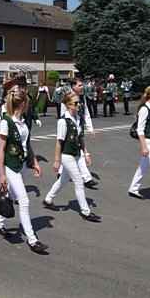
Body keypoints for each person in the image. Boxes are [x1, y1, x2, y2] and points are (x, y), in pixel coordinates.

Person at [0, 87, 48, 254]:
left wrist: (35, 162)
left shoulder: (23, 122)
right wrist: (2, 174)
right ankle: (32, 240)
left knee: (10, 195)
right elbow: (1, 150)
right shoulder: (6, 122)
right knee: (23, 200)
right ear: (23, 103)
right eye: (28, 103)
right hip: (11, 167)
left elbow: (27, 144)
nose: (28, 106)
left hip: (22, 164)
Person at [43, 92, 101, 222]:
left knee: (63, 180)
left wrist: (86, 153)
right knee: (79, 182)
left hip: (76, 154)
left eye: (79, 102)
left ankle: (48, 199)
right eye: (76, 103)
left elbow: (81, 138)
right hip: (67, 155)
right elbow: (59, 142)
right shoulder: (63, 121)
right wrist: (57, 161)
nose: (78, 104)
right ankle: (86, 212)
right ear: (68, 105)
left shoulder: (78, 118)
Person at [59, 77, 98, 189]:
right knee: (74, 151)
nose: (82, 87)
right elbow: (63, 115)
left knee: (75, 151)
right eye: (80, 85)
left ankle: (64, 173)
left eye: (82, 85)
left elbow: (86, 113)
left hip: (79, 127)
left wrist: (90, 128)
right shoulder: (67, 97)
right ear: (73, 86)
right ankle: (87, 178)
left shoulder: (82, 97)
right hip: (70, 129)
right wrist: (66, 129)